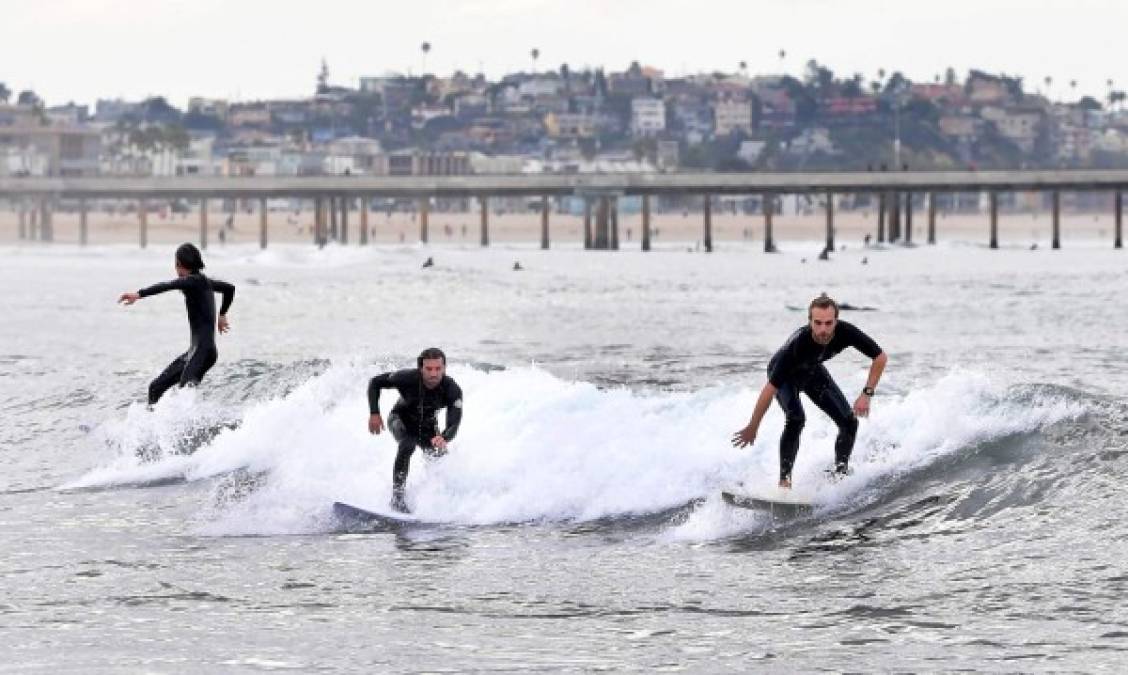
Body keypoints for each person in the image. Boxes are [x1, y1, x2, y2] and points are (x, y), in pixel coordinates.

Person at [731, 294, 887, 488]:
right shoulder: (796, 346)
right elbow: (769, 390)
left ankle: (840, 476)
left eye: (829, 323)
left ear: (836, 321)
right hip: (786, 376)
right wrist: (753, 426)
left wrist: (866, 394)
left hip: (812, 371)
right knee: (796, 419)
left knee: (849, 422)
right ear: (810, 321)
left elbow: (880, 357)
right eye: (818, 323)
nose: (823, 329)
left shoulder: (846, 332)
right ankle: (784, 481)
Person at [118, 243, 235, 405]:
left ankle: (187, 428)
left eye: (176, 265)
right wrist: (222, 314)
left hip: (202, 352)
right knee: (155, 388)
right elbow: (230, 289)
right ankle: (151, 426)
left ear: (180, 264)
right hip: (196, 352)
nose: (176, 270)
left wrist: (138, 294)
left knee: (183, 398)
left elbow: (168, 285)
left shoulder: (192, 281)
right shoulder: (204, 281)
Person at [367, 348, 463, 513]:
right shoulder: (406, 378)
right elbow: (375, 382)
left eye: (438, 369)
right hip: (400, 419)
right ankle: (397, 500)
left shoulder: (452, 389)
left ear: (444, 368)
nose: (434, 374)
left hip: (427, 426)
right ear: (421, 368)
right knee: (407, 444)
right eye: (429, 369)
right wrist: (374, 413)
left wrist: (445, 438)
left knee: (440, 456)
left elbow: (454, 423)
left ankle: (442, 503)